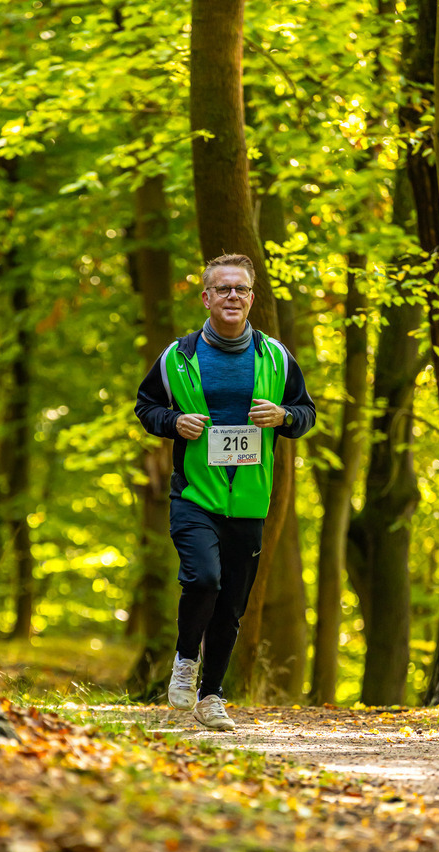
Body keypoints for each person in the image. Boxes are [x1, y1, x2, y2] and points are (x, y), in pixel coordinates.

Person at [135, 254, 315, 731]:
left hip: (251, 499)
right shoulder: (178, 357)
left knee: (232, 602)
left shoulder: (276, 357)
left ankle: (211, 696)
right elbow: (146, 406)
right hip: (196, 493)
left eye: (241, 289)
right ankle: (184, 661)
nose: (232, 296)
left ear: (252, 298)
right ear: (207, 298)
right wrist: (173, 422)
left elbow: (305, 412)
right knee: (203, 580)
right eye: (223, 289)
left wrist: (285, 417)